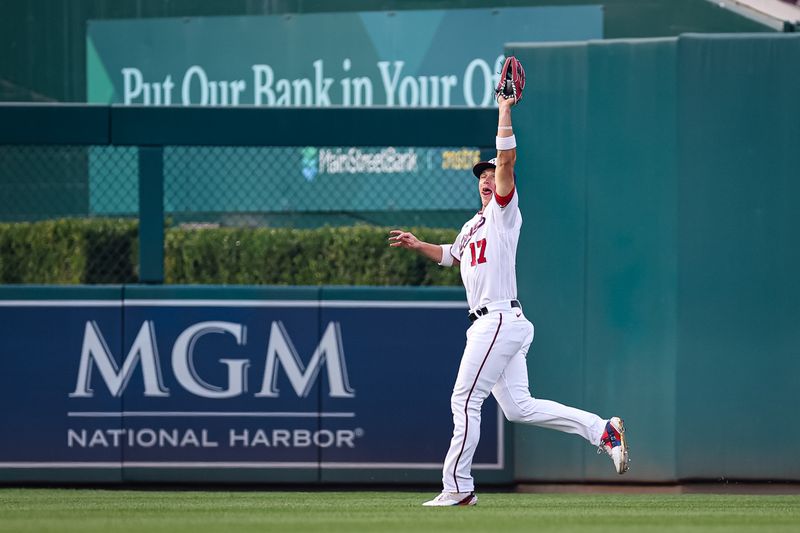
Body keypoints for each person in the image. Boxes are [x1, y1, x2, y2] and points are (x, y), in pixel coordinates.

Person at [388, 93, 629, 507]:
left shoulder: (504, 213)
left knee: (464, 400)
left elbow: (507, 162)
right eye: (481, 174)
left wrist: (504, 110)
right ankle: (602, 430)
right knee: (519, 407)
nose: (487, 177)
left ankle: (458, 487)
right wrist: (418, 244)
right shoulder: (472, 225)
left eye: (491, 171)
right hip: (499, 323)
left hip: (496, 320)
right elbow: (452, 255)